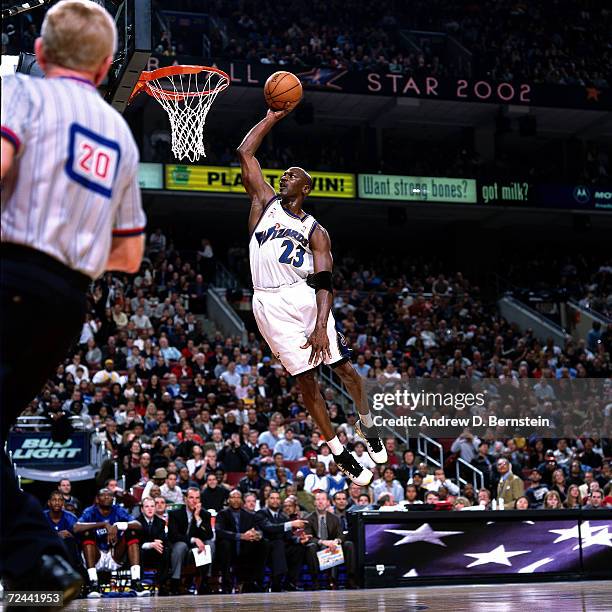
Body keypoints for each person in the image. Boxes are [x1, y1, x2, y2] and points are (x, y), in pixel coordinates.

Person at [0, 0, 145, 599]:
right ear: (109, 64)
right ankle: (40, 568)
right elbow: (130, 256)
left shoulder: (21, 94)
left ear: (39, 52)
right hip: (67, 304)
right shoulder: (120, 135)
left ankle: (38, 559)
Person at [238, 108, 387, 486]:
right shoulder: (263, 204)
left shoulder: (316, 231)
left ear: (305, 188)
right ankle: (339, 452)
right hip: (267, 303)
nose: (284, 177)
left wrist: (321, 325)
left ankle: (367, 425)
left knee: (345, 371)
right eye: (283, 174)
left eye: (293, 176)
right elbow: (245, 153)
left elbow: (324, 283)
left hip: (303, 300)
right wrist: (272, 116)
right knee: (307, 383)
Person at [74, 488, 146, 597]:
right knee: (87, 535)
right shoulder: (90, 511)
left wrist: (118, 525)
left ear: (113, 498)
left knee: (131, 534)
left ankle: (135, 582)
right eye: (103, 495)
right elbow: (76, 528)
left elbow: (138, 525)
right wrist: (102, 524)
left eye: (109, 495)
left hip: (114, 555)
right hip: (96, 557)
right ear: (97, 499)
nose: (107, 497)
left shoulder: (117, 510)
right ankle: (93, 584)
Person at [215, 489, 266, 593]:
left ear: (242, 500)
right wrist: (240, 536)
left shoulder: (249, 515)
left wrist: (256, 535)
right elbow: (219, 532)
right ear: (228, 500)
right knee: (225, 544)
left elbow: (258, 530)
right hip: (229, 547)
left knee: (263, 543)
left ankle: (252, 582)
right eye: (233, 497)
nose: (236, 500)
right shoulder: (222, 514)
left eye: (238, 497)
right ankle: (227, 584)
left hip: (244, 548)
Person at [255, 490, 307, 591]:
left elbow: (288, 536)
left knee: (298, 548)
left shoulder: (283, 516)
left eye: (277, 498)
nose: (275, 500)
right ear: (267, 500)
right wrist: (291, 524)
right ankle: (276, 582)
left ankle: (290, 582)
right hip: (265, 550)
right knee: (278, 543)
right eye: (272, 498)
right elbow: (269, 528)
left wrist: (299, 540)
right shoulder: (261, 513)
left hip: (280, 550)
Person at [304, 491, 356, 589]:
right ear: (314, 502)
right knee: (311, 546)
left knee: (349, 544)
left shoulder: (335, 518)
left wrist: (336, 541)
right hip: (318, 547)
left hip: (332, 547)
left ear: (328, 502)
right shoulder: (308, 519)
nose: (320, 502)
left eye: (323, 499)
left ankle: (350, 580)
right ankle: (315, 581)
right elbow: (308, 537)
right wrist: (322, 542)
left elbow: (341, 535)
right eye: (318, 500)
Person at [167, 487, 213, 595]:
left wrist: (197, 518)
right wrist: (193, 539)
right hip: (180, 546)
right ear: (185, 499)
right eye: (191, 498)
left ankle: (204, 581)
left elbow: (209, 535)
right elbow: (173, 536)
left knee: (209, 545)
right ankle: (175, 582)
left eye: (197, 498)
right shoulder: (175, 514)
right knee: (181, 546)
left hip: (196, 549)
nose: (194, 501)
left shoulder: (205, 514)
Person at [137, 497, 170, 595]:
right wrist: (150, 544)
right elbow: (138, 541)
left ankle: (162, 583)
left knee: (166, 551)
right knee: (139, 551)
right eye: (147, 506)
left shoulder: (161, 522)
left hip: (155, 552)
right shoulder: (136, 522)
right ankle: (140, 584)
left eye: (152, 506)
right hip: (142, 552)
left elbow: (161, 539)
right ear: (142, 509)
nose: (150, 509)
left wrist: (155, 543)